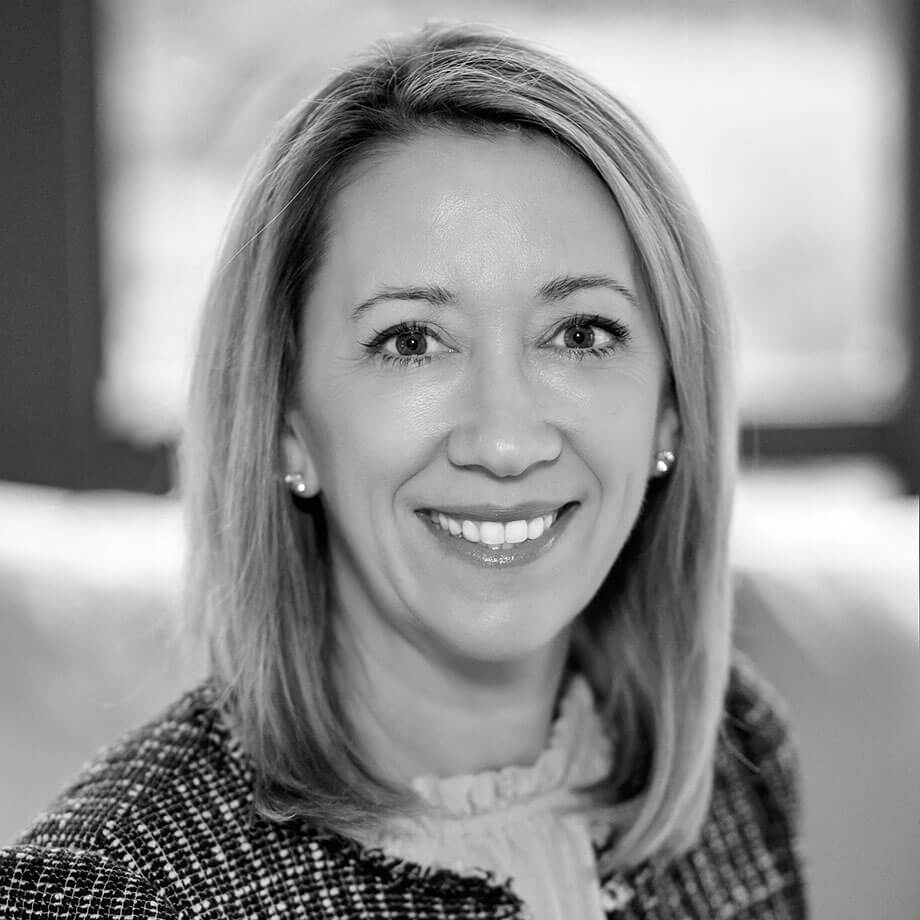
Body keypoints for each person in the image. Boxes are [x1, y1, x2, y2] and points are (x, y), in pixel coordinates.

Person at [0, 22, 806, 919]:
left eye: (581, 334)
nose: (505, 442)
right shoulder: (113, 890)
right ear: (285, 424)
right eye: (411, 341)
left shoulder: (740, 764)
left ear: (670, 409)